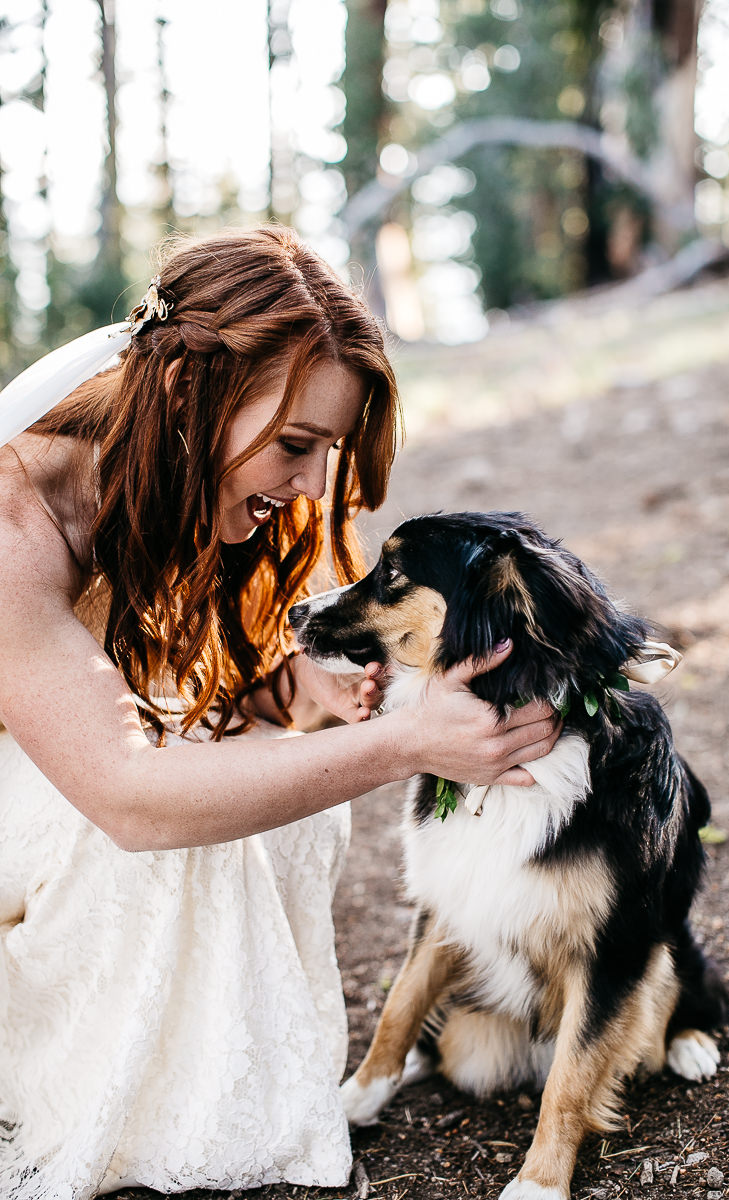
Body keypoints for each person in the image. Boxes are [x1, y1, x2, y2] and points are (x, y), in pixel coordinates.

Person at [0, 225, 559, 1199]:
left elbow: (202, 664)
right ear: (187, 394)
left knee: (256, 761)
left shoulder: (178, 471)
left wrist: (305, 689)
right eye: (295, 444)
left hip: (56, 750)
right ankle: (85, 1086)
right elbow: (128, 792)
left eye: (325, 449)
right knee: (171, 823)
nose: (309, 483)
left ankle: (209, 1072)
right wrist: (403, 743)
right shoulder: (12, 521)